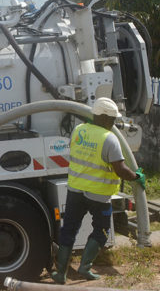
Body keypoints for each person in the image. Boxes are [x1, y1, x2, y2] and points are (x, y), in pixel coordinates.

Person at [50, 97, 146, 284]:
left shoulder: (78, 131)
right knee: (101, 231)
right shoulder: (109, 139)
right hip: (98, 195)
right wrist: (136, 177)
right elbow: (120, 170)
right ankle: (85, 268)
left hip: (75, 191)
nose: (113, 123)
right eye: (111, 119)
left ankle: (60, 274)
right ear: (102, 117)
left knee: (69, 229)